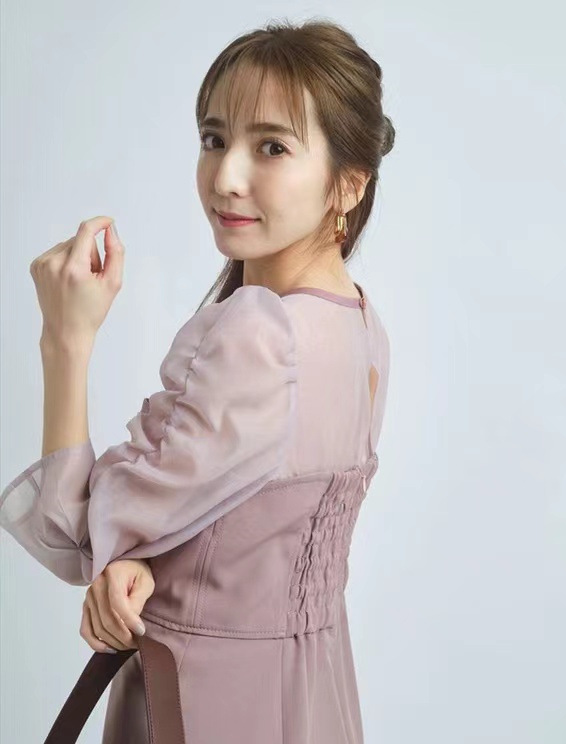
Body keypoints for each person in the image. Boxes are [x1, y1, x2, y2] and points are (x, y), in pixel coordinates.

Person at [0, 18, 394, 744]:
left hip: (207, 700)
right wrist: (148, 562)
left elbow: (77, 529)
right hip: (317, 700)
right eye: (214, 139)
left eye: (271, 147)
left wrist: (66, 339)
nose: (226, 177)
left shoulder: (259, 332)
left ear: (348, 183)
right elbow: (236, 526)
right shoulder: (363, 328)